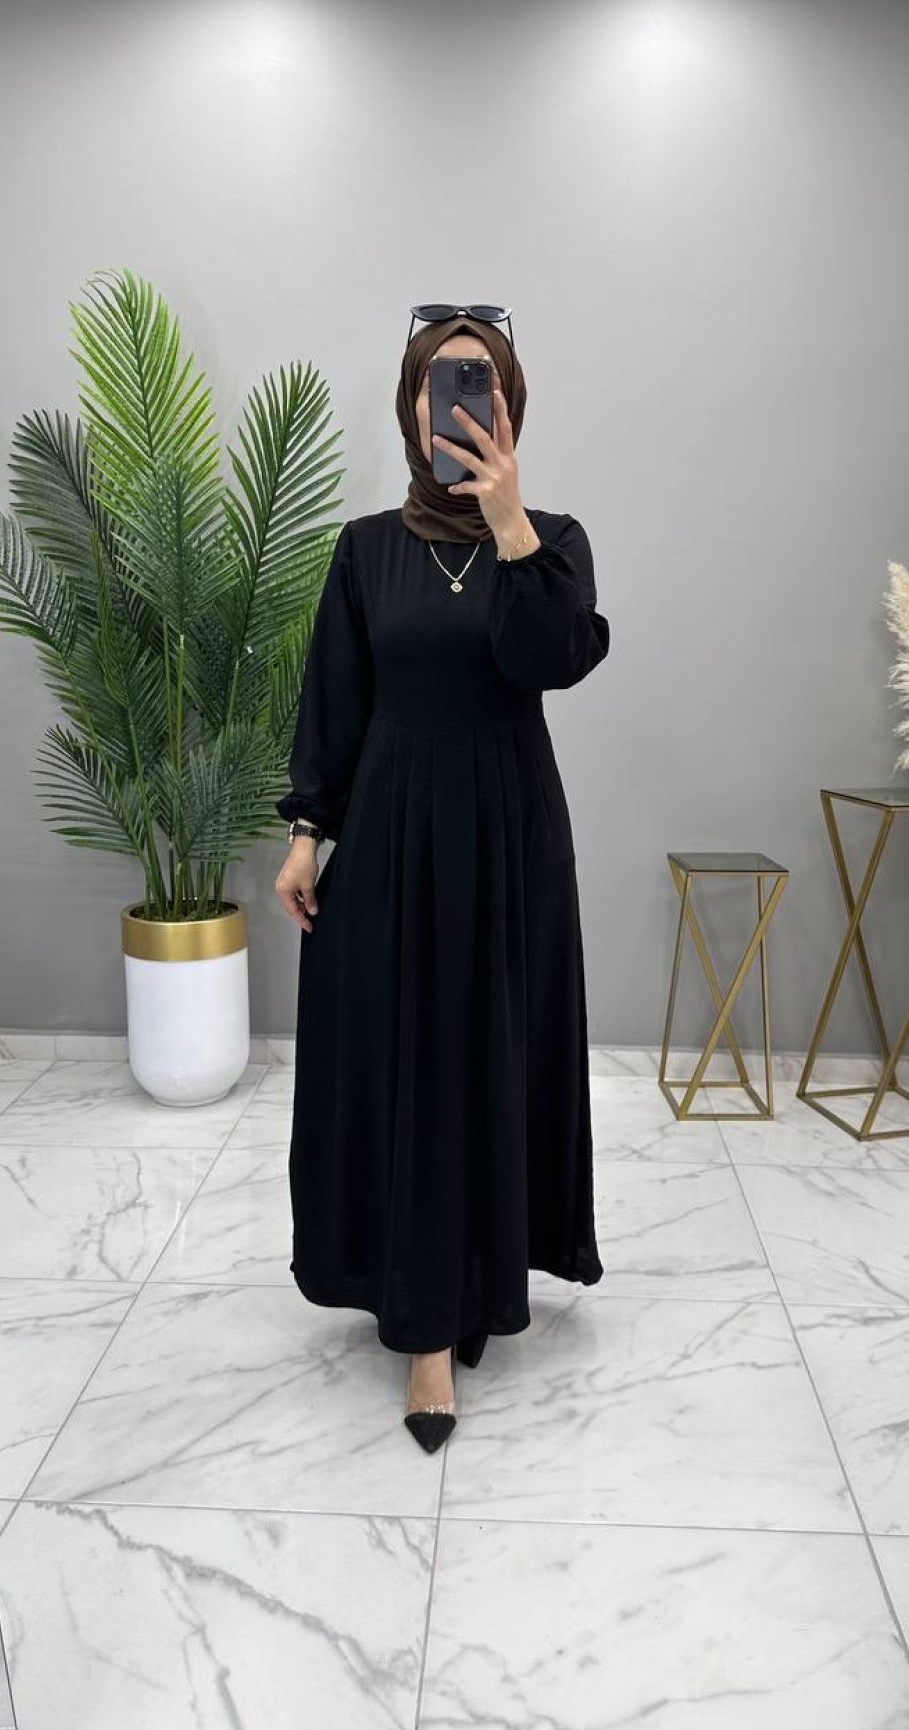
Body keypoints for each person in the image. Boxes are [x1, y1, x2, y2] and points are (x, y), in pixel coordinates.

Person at [274, 306, 610, 1453]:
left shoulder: (553, 540)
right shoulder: (366, 548)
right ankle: (422, 1325)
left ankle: (475, 1270)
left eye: (478, 384)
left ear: (508, 405)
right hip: (392, 831)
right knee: (405, 1058)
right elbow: (335, 696)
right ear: (411, 406)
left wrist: (509, 521)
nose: (456, 405)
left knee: (489, 1053)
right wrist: (306, 832)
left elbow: (548, 658)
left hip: (509, 832)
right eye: (437, 384)